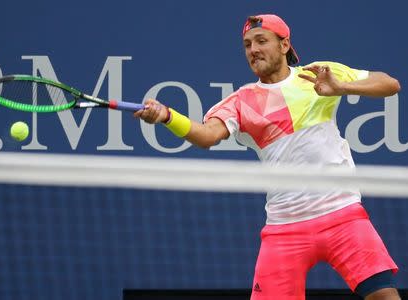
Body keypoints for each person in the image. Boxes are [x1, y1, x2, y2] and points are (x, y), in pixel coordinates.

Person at [133, 13, 401, 300]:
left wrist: (341, 87)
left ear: (284, 45)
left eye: (262, 41)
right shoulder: (240, 101)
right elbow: (207, 135)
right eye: (247, 45)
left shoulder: (317, 74)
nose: (253, 50)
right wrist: (167, 116)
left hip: (342, 215)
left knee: (383, 296)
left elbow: (389, 84)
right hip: (284, 227)